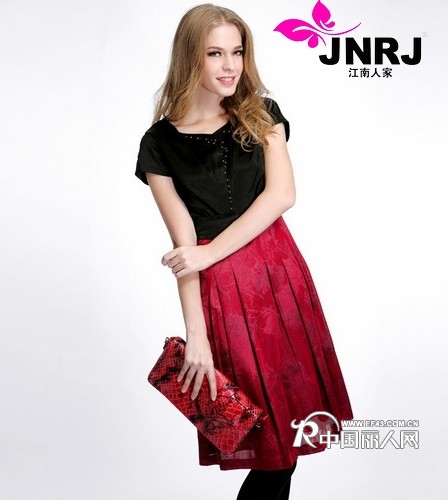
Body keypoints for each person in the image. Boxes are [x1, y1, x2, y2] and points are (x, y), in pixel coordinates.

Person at [135, 4, 353, 499]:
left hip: (279, 276)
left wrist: (208, 253)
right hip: (224, 297)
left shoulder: (262, 112)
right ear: (190, 57)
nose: (230, 64)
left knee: (289, 442)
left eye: (237, 52)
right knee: (269, 444)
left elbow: (281, 196)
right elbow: (184, 247)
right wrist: (196, 336)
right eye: (215, 53)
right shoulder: (158, 144)